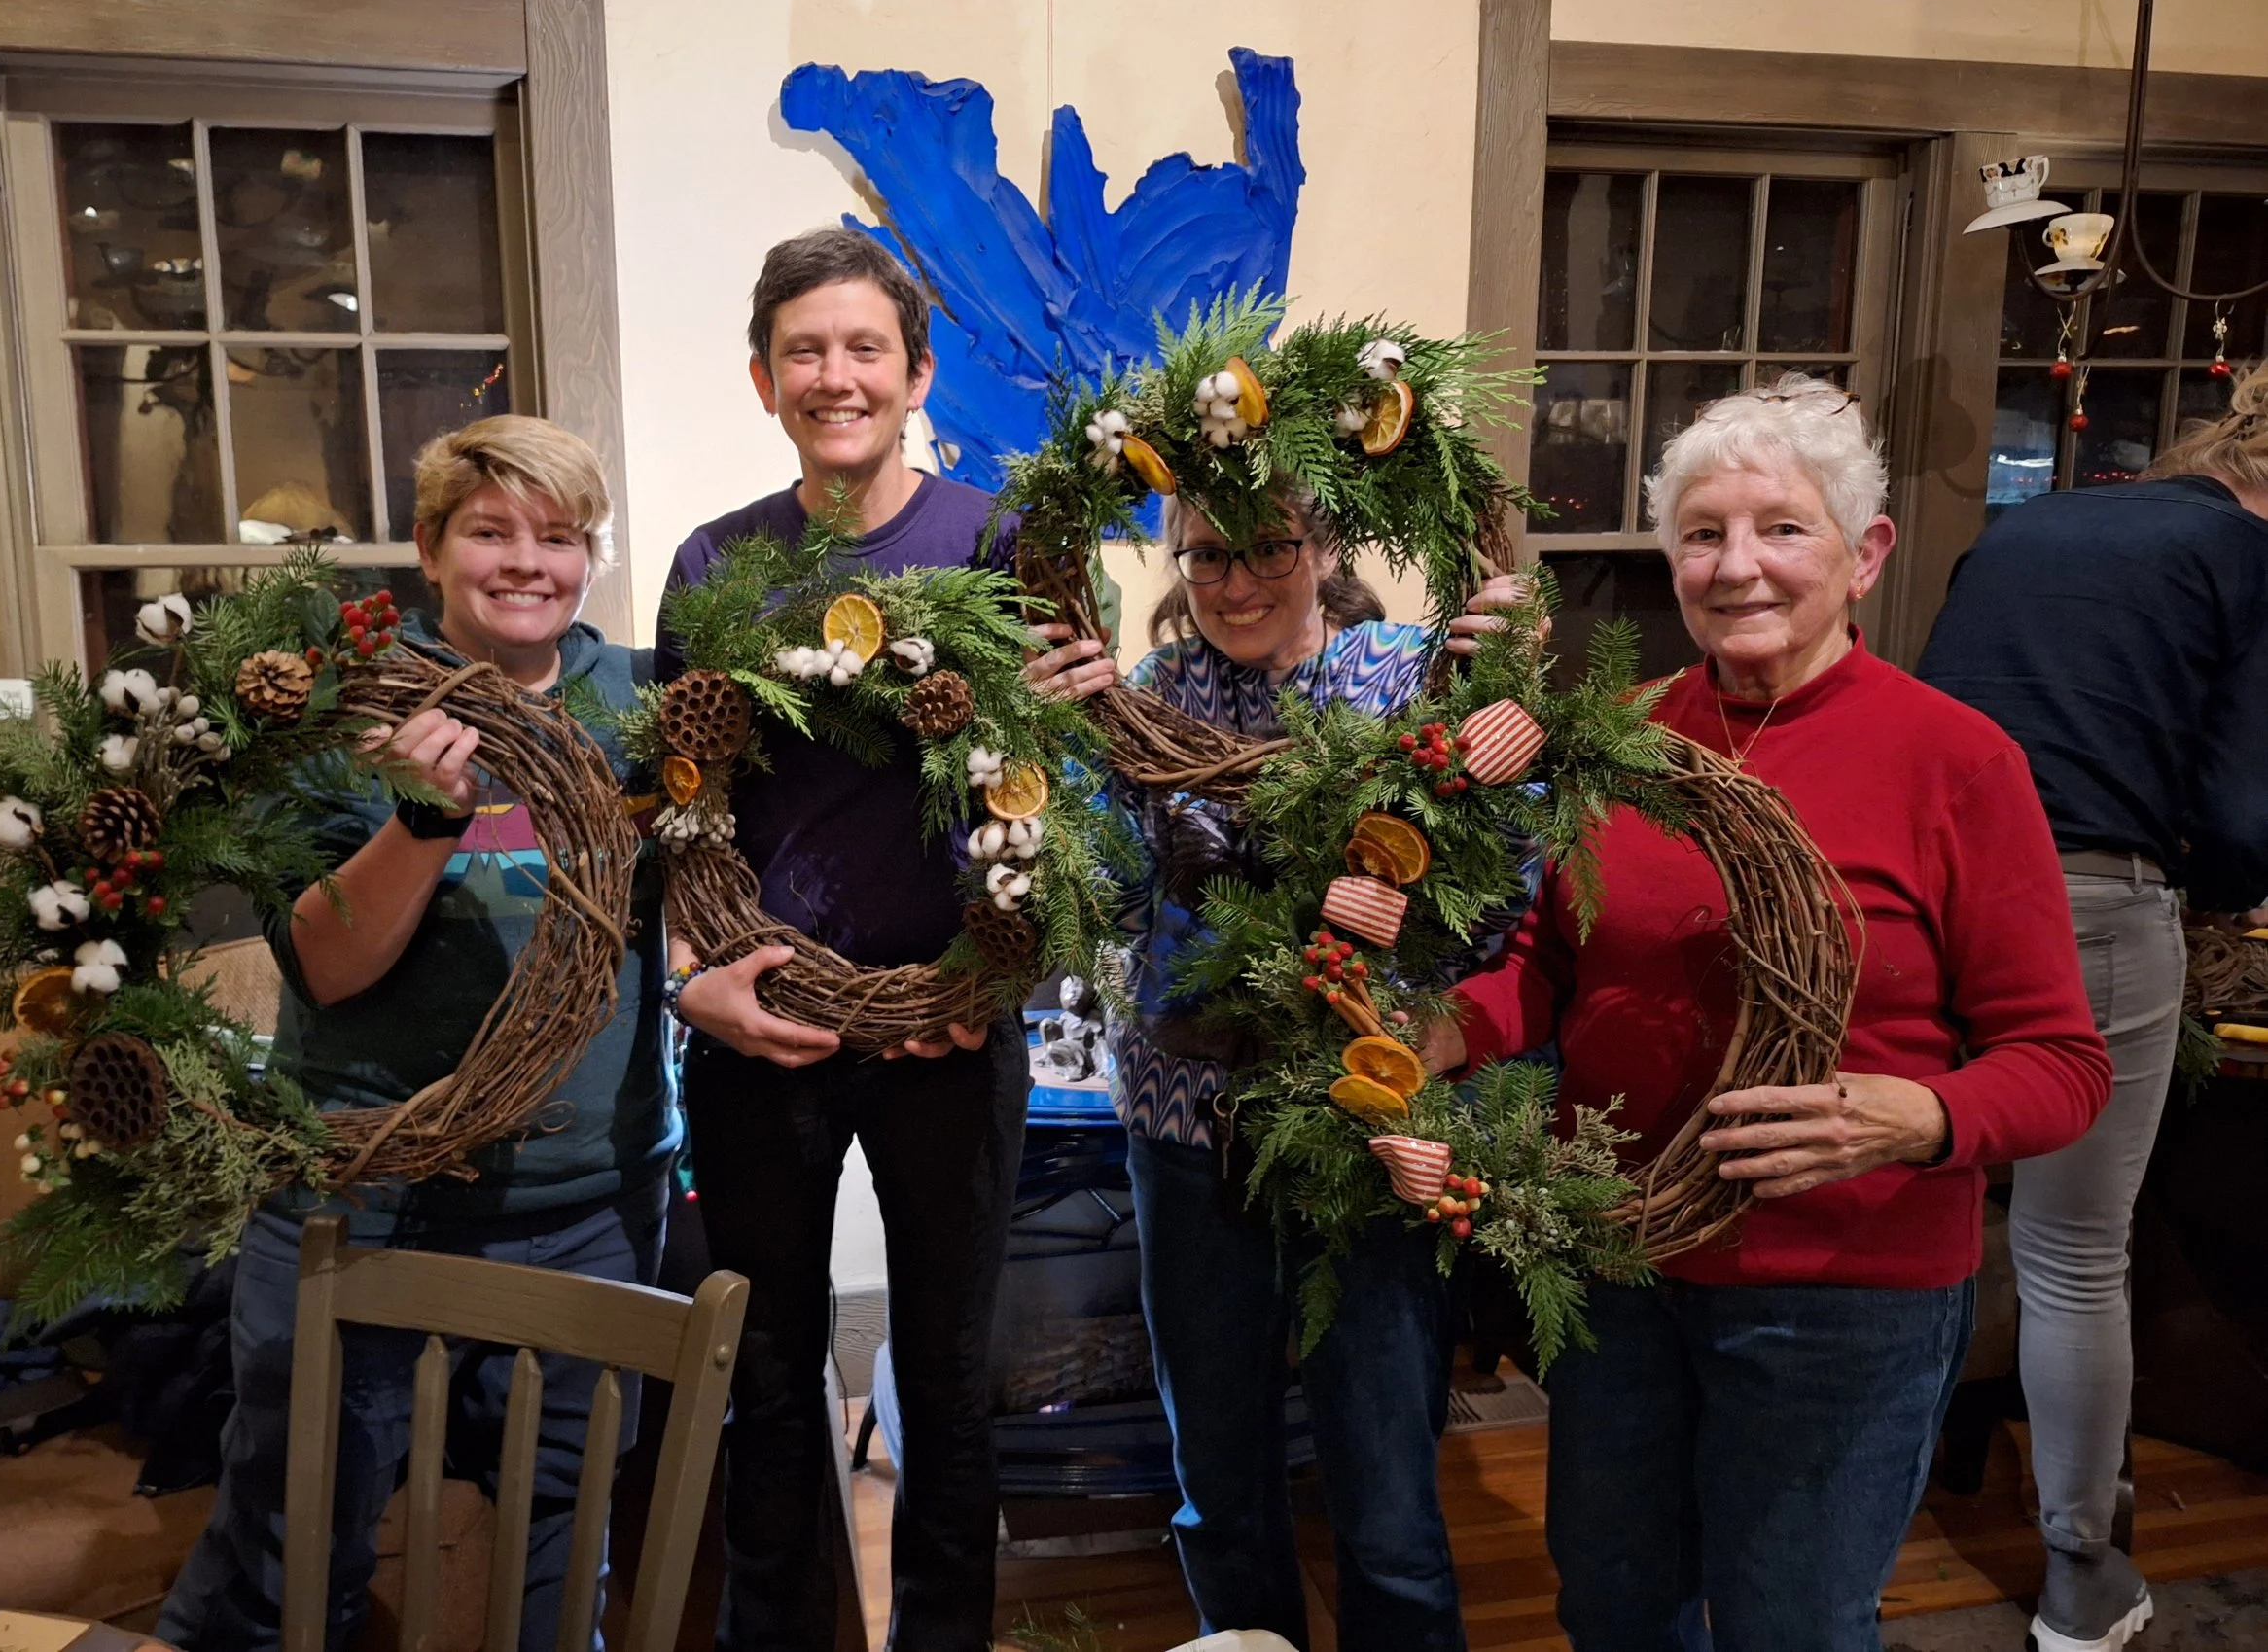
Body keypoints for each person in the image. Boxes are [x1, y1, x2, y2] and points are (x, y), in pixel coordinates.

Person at [1449, 376, 2114, 1652]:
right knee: (1614, 1603)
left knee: (1790, 1623)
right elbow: (1545, 961)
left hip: (1842, 1293)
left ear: (1865, 554)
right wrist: (1440, 1033)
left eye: (1782, 528)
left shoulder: (1955, 760)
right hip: (1624, 1260)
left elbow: (2063, 1061)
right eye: (1703, 531)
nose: (1738, 564)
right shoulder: (1628, 742)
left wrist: (1919, 1113)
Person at [654, 227, 1109, 1651]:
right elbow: (683, 803)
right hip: (761, 1029)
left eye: (864, 349)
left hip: (948, 1034)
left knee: (950, 1373)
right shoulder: (715, 562)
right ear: (761, 377)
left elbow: (1052, 793)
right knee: (772, 1373)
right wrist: (695, 983)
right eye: (805, 350)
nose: (834, 375)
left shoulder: (992, 546)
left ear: (918, 372)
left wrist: (996, 968)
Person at [159, 415, 678, 1652]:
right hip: (361, 1207)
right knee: (292, 1541)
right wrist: (419, 819)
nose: (525, 564)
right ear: (428, 547)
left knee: (564, 1538)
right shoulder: (347, 706)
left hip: (587, 1204)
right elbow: (330, 971)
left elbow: (697, 895)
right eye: (490, 532)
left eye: (558, 538)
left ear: (590, 559)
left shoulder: (639, 703)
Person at [1113, 490, 1533, 1652]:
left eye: (1269, 548)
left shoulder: (1405, 675)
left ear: (1326, 547)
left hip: (1369, 1120)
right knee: (1216, 1469)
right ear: (1177, 563)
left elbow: (1508, 883)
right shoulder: (1154, 701)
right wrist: (1067, 771)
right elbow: (1101, 895)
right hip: (1184, 1119)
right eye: (1206, 557)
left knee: (1384, 1475)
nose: (1238, 583)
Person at [1915, 369, 2268, 1652]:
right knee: (2074, 1249)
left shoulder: (2037, 522)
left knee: (1932, 1191)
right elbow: (2242, 818)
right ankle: (2081, 1576)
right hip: (2088, 897)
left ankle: (1871, 1487)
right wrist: (2207, 890)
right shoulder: (2247, 554)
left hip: (1924, 885)